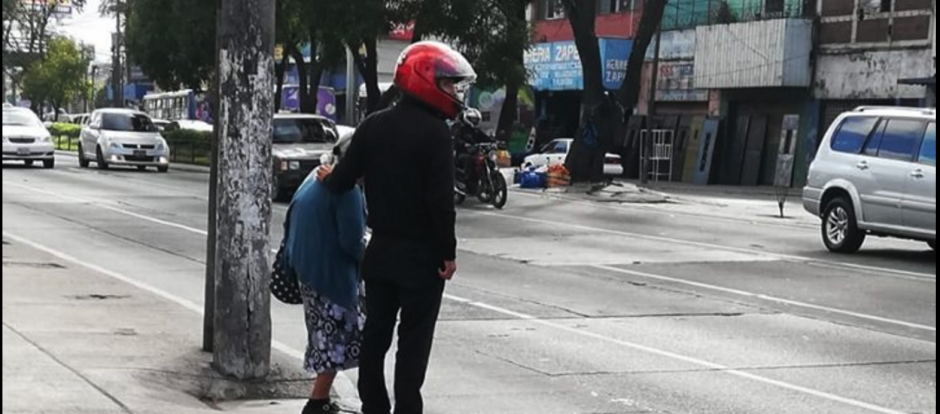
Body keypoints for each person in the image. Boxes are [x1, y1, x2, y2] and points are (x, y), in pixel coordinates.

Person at [316, 41, 477, 414]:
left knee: (376, 336)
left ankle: (374, 405)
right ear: (426, 80)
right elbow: (440, 203)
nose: (454, 92)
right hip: (421, 259)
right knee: (413, 344)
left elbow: (342, 179)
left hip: (381, 254)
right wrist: (447, 254)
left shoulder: (373, 125)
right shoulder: (436, 134)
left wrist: (326, 175)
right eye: (449, 84)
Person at [285, 145, 367, 414]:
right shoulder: (347, 190)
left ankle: (320, 400)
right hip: (330, 274)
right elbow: (353, 241)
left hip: (307, 269)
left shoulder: (315, 177)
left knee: (323, 336)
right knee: (333, 340)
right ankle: (317, 402)